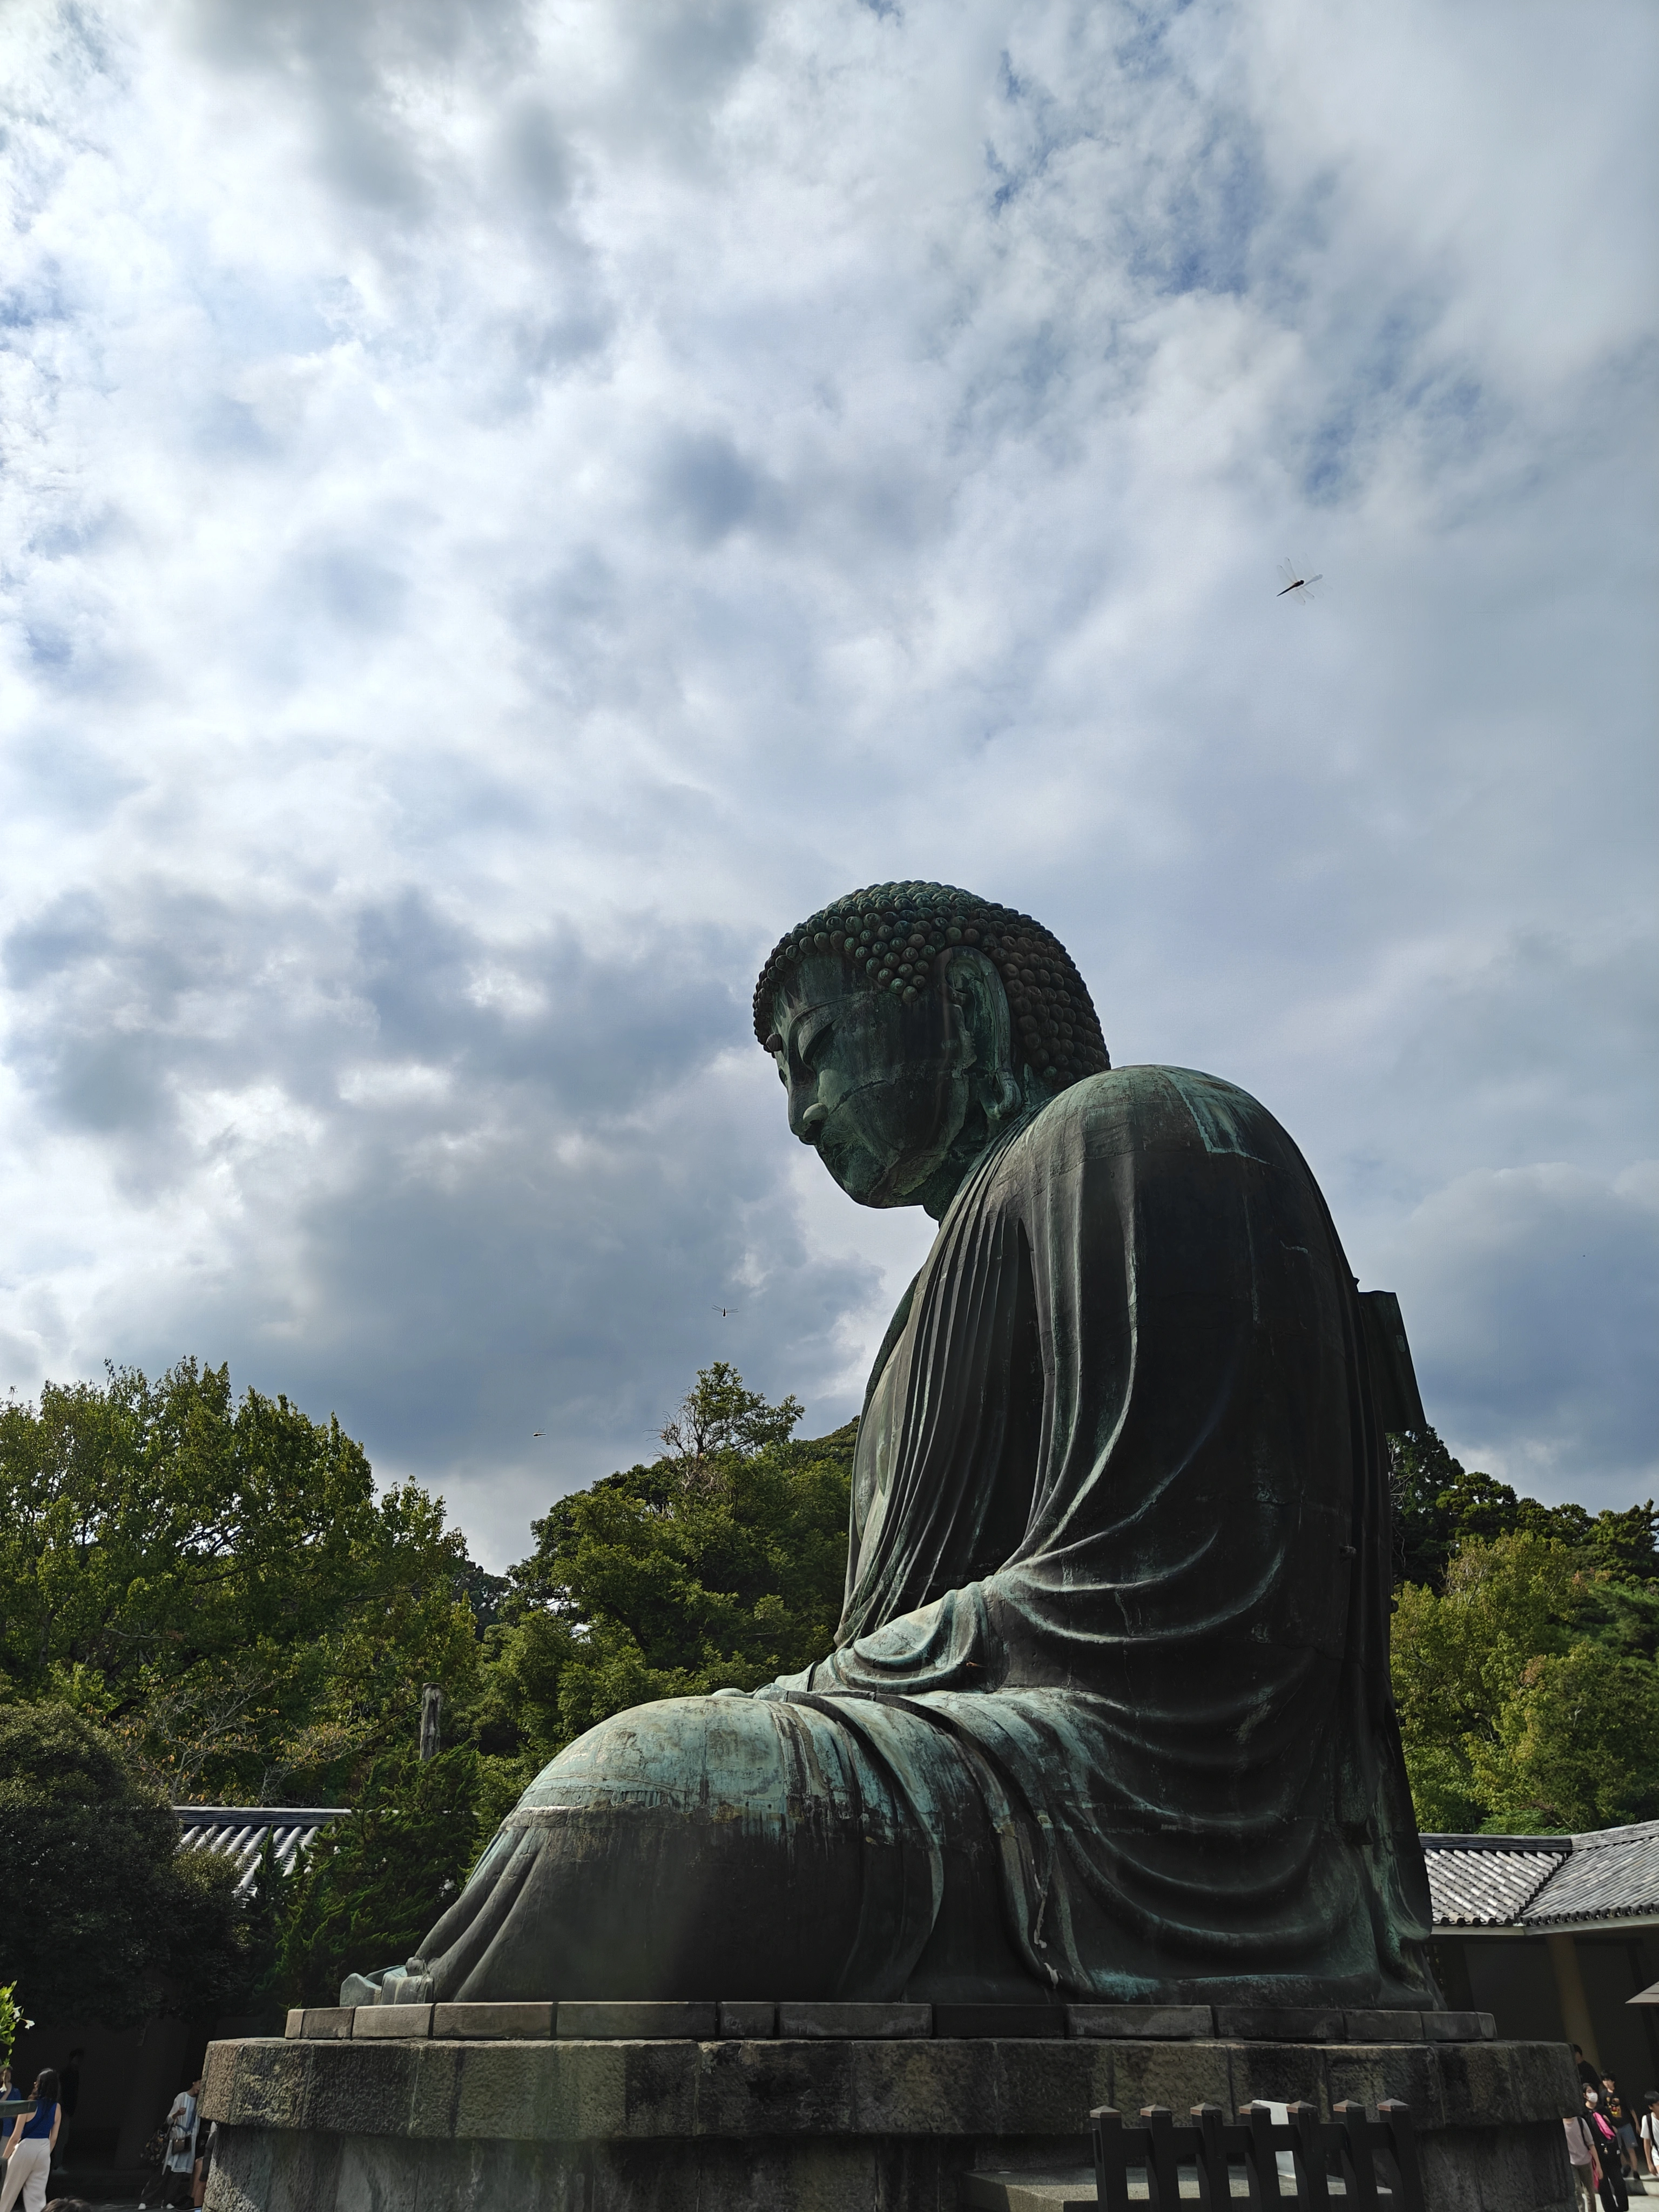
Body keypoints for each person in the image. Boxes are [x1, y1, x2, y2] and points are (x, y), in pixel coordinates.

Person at [359, 884, 1437, 2013]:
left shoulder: (1140, 1132)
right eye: (786, 1077)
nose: (802, 1115)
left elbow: (1170, 1601)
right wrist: (814, 1698)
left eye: (818, 1054)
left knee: (630, 1803)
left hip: (1141, 1798)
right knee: (638, 1797)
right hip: (966, 1756)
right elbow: (895, 1655)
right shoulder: (914, 1322)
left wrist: (807, 1695)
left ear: (965, 1007)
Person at [1, 2068, 60, 2212]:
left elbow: (15, 2138)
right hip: (44, 2150)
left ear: (40, 2085)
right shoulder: (57, 2108)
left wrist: (4, 2159)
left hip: (26, 2148)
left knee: (8, 2193)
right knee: (37, 2197)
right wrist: (45, 2152)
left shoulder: (29, 2106)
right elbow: (54, 2138)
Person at [156, 2080, 199, 2211]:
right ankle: (147, 2199)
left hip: (188, 2138)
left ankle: (168, 2200)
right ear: (194, 2083)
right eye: (200, 2084)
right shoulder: (181, 2097)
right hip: (176, 2137)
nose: (200, 2088)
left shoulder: (198, 2102)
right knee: (165, 2170)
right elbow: (169, 2119)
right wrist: (177, 2115)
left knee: (178, 2174)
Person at [1585, 2087, 1629, 2212]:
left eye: (1593, 2091)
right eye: (1589, 2091)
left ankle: (1623, 2208)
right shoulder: (1584, 2114)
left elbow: (1615, 2127)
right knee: (1603, 2187)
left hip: (1610, 2150)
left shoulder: (1603, 2109)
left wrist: (1609, 2123)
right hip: (1596, 2154)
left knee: (1619, 2182)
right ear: (1584, 2095)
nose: (1592, 2094)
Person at [1602, 2077, 1641, 2180]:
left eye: (1608, 2080)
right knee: (1618, 2150)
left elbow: (1631, 2109)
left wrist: (1637, 2124)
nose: (1606, 2083)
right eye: (1604, 2081)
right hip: (1614, 2127)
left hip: (1625, 2125)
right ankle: (1626, 2166)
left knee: (1631, 2149)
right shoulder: (1603, 2095)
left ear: (1613, 2081)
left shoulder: (1620, 2093)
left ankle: (1636, 2171)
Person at [1567, 2110, 1605, 2212]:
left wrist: (1598, 2165)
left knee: (1590, 2193)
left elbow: (1591, 2144)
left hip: (1585, 2161)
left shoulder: (1580, 2122)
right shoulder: (1560, 2125)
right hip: (1571, 2163)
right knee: (1577, 2191)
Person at [50, 2058, 78, 2176]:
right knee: (60, 2137)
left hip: (66, 2110)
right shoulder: (67, 2075)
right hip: (65, 2110)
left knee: (61, 2138)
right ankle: (56, 2165)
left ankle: (55, 2165)